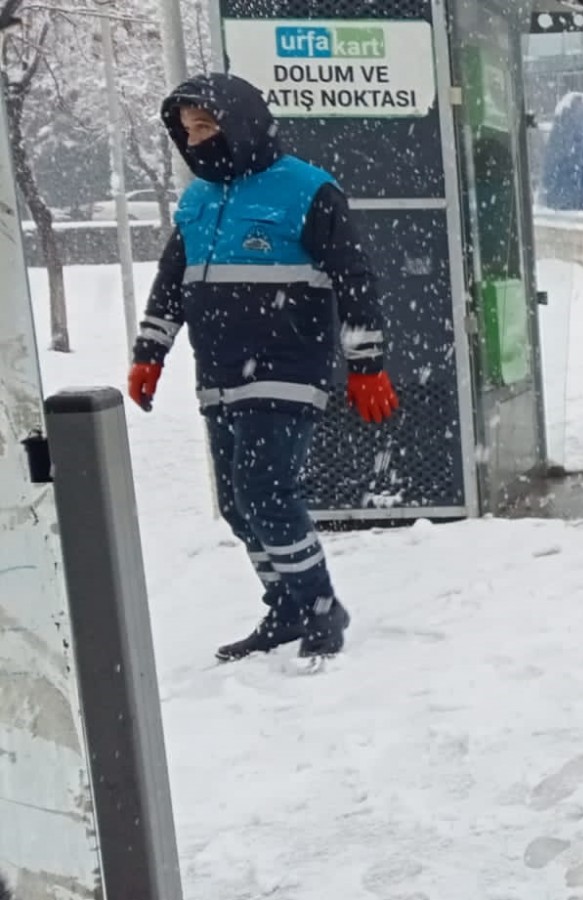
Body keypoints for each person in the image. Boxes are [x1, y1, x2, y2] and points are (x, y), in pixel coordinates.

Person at [126, 72, 397, 663]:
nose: (198, 140)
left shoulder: (308, 189)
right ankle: (287, 605)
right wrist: (151, 352)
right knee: (235, 501)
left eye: (208, 125)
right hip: (219, 372)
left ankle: (320, 603)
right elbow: (172, 282)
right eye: (189, 130)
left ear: (241, 121)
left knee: (265, 489)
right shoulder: (197, 201)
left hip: (287, 366)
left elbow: (355, 279)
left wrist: (366, 363)